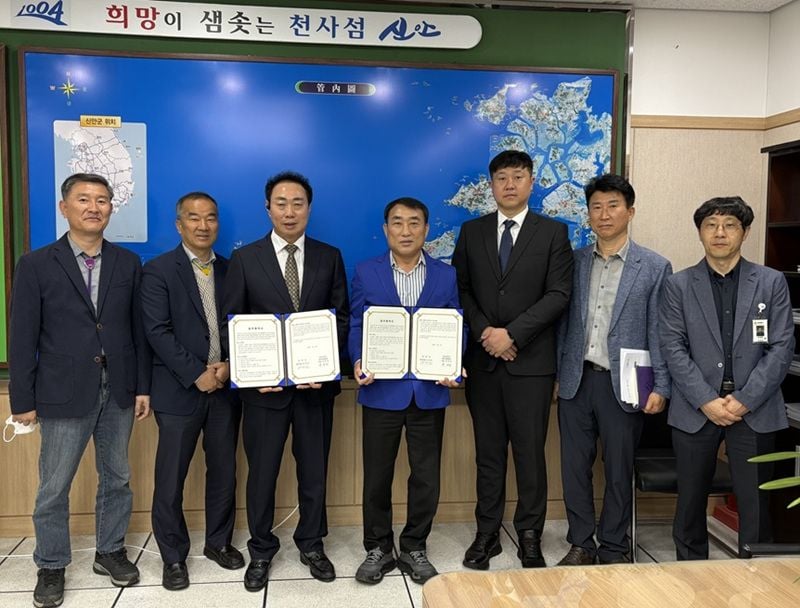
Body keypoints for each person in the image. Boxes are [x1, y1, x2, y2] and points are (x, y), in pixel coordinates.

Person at [8, 173, 151, 608]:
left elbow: (137, 331)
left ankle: (110, 551)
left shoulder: (128, 262)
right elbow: (21, 336)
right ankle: (51, 564)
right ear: (64, 207)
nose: (94, 207)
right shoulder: (36, 264)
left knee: (117, 477)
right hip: (61, 391)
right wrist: (22, 401)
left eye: (102, 200)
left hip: (119, 388)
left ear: (111, 208)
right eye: (84, 199)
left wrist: (142, 387)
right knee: (54, 485)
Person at [222, 171, 349, 590]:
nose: (289, 211)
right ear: (268, 208)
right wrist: (250, 374)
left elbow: (341, 317)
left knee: (314, 472)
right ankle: (261, 549)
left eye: (298, 203)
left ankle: (312, 543)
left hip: (316, 391)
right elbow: (231, 324)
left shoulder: (329, 256)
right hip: (264, 393)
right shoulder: (245, 259)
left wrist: (324, 366)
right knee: (262, 474)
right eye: (281, 203)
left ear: (309, 208)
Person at [452, 150, 573, 569]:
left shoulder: (553, 232)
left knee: (530, 454)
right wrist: (487, 333)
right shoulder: (472, 232)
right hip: (484, 362)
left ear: (531, 182)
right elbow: (461, 289)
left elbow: (558, 294)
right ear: (491, 185)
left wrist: (513, 334)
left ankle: (529, 534)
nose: (509, 184)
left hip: (531, 364)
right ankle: (486, 534)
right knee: (488, 454)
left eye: (517, 177)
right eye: (501, 177)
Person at [659, 196, 795, 560]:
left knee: (755, 503)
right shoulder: (678, 285)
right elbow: (673, 347)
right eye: (711, 225)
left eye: (730, 225)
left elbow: (782, 347)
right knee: (690, 503)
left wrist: (745, 399)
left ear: (744, 232)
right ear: (700, 232)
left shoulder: (770, 282)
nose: (720, 233)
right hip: (696, 408)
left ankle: (755, 574)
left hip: (755, 408)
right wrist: (706, 399)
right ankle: (691, 573)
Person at [556, 174, 672, 565]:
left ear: (630, 212)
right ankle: (581, 543)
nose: (604, 215)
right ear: (588, 214)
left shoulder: (654, 266)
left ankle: (614, 545)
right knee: (574, 468)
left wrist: (662, 386)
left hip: (626, 383)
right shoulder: (573, 261)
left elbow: (660, 329)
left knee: (619, 468)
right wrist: (556, 374)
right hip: (576, 380)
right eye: (596, 207)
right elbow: (561, 323)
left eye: (613, 206)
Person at [349, 198, 462, 585]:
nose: (406, 231)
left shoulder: (446, 275)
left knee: (426, 476)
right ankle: (377, 547)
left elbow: (456, 325)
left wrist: (454, 364)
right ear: (386, 230)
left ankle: (415, 545)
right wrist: (357, 360)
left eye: (414, 223)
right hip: (381, 390)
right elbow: (357, 323)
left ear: (426, 230)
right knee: (376, 476)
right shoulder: (366, 271)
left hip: (429, 391)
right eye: (397, 223)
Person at [141, 192, 244, 590]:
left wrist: (229, 365)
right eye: (194, 218)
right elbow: (157, 331)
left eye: (211, 218)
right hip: (179, 391)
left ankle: (218, 543)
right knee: (171, 478)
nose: (203, 226)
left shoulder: (232, 270)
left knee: (224, 472)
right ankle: (172, 556)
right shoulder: (158, 271)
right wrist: (196, 373)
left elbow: (243, 325)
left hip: (224, 389)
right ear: (179, 224)